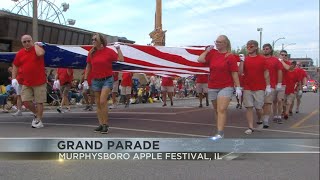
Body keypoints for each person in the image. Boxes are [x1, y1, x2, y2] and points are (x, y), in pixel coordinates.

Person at [197, 35, 241, 139]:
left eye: (219, 42)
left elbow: (234, 73)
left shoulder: (230, 56)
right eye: (216, 41)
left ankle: (220, 133)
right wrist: (207, 51)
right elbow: (200, 59)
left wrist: (238, 87)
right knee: (217, 110)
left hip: (226, 86)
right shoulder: (213, 54)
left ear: (225, 43)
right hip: (212, 86)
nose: (216, 43)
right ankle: (219, 129)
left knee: (221, 109)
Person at [83, 33, 124, 134]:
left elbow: (121, 59)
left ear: (101, 41)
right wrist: (85, 80)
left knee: (102, 101)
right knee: (97, 103)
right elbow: (88, 66)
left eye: (95, 40)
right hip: (95, 80)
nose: (93, 41)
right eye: (92, 39)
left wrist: (118, 48)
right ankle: (101, 124)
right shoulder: (91, 52)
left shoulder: (108, 51)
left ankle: (106, 125)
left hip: (107, 79)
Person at [12, 34, 46, 128]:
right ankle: (36, 114)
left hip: (39, 81)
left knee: (39, 101)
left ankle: (39, 120)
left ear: (32, 41)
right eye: (24, 42)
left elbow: (41, 54)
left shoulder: (37, 49)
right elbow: (15, 65)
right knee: (25, 101)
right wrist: (14, 78)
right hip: (26, 82)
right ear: (22, 43)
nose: (27, 43)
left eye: (28, 41)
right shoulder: (20, 53)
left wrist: (35, 45)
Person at [239, 40, 271, 134]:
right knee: (249, 107)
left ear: (256, 47)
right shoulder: (245, 59)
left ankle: (260, 119)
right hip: (248, 87)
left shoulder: (262, 59)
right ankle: (251, 127)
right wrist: (241, 61)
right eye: (247, 46)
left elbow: (266, 72)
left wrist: (268, 85)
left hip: (259, 87)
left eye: (251, 46)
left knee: (258, 108)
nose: (249, 48)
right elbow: (240, 72)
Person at [261, 43, 283, 128]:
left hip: (271, 85)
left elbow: (280, 71)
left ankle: (266, 120)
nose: (265, 50)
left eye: (267, 49)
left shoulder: (275, 60)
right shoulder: (260, 59)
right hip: (259, 85)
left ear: (270, 50)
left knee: (268, 103)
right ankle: (261, 117)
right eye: (264, 49)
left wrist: (279, 83)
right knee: (260, 104)